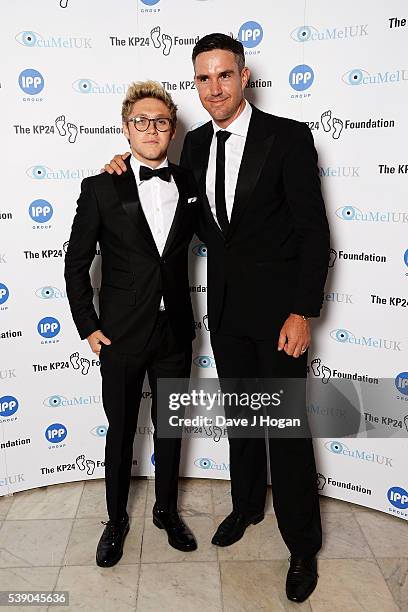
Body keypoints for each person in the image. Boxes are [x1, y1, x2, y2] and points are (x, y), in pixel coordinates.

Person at [104, 34, 330, 602]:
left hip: (282, 318)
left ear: (244, 75)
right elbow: (167, 204)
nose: (214, 88)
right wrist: (117, 167)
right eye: (202, 79)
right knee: (244, 425)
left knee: (286, 430)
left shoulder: (288, 137)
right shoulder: (195, 145)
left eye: (223, 75)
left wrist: (303, 311)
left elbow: (314, 231)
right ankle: (247, 507)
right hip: (225, 315)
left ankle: (302, 544)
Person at [64, 80, 199, 568]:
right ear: (126, 128)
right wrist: (88, 326)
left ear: (171, 129)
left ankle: (166, 510)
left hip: (175, 333)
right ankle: (115, 520)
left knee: (171, 428)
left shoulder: (191, 184)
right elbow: (76, 262)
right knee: (120, 432)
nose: (151, 129)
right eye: (140, 121)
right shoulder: (102, 186)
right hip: (119, 335)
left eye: (160, 121)